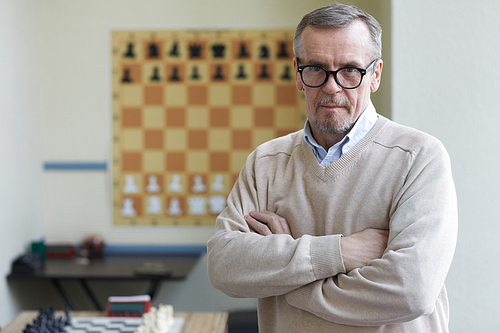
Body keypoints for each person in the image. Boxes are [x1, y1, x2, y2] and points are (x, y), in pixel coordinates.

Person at [207, 3, 457, 333]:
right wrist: (340, 251)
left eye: (351, 70)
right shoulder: (265, 163)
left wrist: (289, 276)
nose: (332, 86)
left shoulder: (419, 158)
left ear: (376, 74)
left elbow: (411, 291)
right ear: (298, 71)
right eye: (316, 69)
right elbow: (224, 265)